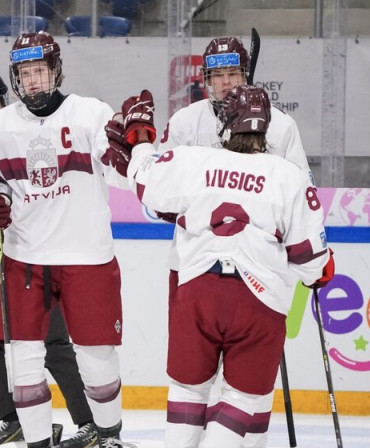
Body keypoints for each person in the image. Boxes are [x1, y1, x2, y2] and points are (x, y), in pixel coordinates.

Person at [113, 85, 334, 448]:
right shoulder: (288, 175)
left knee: (188, 389)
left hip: (198, 292)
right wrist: (324, 270)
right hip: (258, 301)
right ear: (266, 129)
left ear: (226, 126)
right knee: (241, 397)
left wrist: (140, 137)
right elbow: (311, 262)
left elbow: (144, 181)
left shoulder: (193, 160)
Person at [0, 31, 131, 448]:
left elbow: (121, 177)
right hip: (25, 256)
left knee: (96, 357)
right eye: (24, 74)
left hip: (87, 255)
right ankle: (38, 442)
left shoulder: (91, 113)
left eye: (40, 71)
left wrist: (132, 149)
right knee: (22, 358)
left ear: (56, 71)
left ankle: (109, 435)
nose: (33, 81)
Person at [158, 36, 312, 448]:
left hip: (259, 266)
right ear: (205, 80)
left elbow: (302, 192)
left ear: (247, 75)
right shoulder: (186, 122)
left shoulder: (281, 124)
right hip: (191, 265)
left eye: (234, 74)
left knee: (251, 384)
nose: (226, 83)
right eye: (218, 75)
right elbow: (156, 203)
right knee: (196, 378)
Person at [0, 73, 98, 448]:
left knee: (53, 343)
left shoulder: (24, 135)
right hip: (4, 258)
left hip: (38, 257)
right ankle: (17, 418)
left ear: (7, 105)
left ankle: (90, 423)